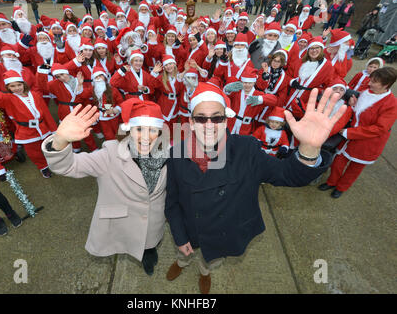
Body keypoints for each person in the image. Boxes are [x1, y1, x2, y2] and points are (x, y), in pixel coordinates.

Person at [164, 82, 347, 294]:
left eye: (216, 117)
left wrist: (309, 148)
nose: (209, 124)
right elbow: (173, 202)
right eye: (201, 118)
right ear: (191, 122)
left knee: (211, 259)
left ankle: (205, 272)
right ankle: (182, 262)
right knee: (184, 252)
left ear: (226, 120)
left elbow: (288, 174)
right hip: (190, 228)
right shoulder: (176, 153)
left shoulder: (247, 149)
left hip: (223, 232)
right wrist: (179, 236)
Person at [41, 100, 170, 276]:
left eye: (152, 130)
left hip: (155, 219)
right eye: (139, 129)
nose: (146, 137)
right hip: (125, 222)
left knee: (149, 245)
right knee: (135, 244)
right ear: (128, 130)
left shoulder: (169, 154)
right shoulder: (109, 155)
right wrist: (60, 141)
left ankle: (149, 252)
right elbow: (68, 166)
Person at [318, 67, 397, 198]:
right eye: (371, 79)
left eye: (374, 81)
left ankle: (341, 187)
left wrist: (349, 133)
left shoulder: (391, 104)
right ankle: (331, 182)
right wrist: (353, 105)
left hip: (367, 143)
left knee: (354, 169)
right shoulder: (367, 91)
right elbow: (360, 115)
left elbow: (380, 128)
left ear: (386, 85)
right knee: (338, 162)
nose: (370, 83)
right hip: (350, 136)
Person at [0, 68, 57, 178]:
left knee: (49, 146)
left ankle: (54, 162)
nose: (17, 88)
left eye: (19, 85)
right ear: (8, 88)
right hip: (26, 132)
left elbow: (46, 113)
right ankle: (43, 167)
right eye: (12, 86)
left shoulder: (34, 94)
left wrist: (54, 129)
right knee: (35, 153)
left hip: (43, 127)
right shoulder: (8, 99)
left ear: (23, 84)